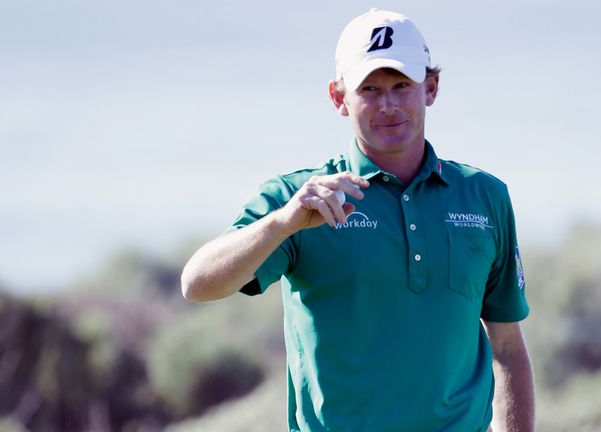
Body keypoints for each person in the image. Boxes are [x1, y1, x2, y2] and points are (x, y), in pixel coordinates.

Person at [181, 8, 534, 432]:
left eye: (402, 85)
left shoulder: (485, 197)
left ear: (432, 87)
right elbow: (197, 284)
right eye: (369, 88)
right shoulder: (298, 197)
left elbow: (508, 345)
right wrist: (284, 223)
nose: (388, 104)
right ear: (338, 98)